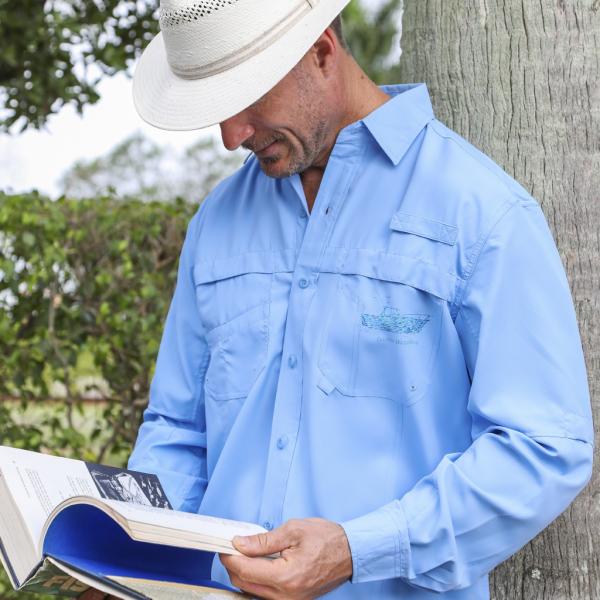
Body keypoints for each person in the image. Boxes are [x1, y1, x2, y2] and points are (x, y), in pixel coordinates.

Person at [117, 0, 595, 598]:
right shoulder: (217, 221)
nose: (230, 136)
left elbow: (543, 446)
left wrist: (357, 550)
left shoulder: (483, 214)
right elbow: (178, 429)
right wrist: (125, 559)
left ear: (320, 51)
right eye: (218, 111)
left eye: (246, 100)